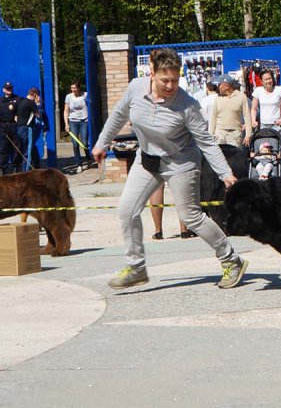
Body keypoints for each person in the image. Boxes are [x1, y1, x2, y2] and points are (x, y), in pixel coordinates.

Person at [92, 48, 249, 290]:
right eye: (165, 80)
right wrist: (102, 143)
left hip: (181, 163)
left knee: (190, 216)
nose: (170, 86)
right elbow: (118, 115)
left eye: (175, 80)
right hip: (147, 160)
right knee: (126, 211)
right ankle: (136, 267)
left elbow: (206, 142)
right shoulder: (135, 88)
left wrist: (225, 173)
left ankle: (232, 260)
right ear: (152, 73)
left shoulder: (187, 105)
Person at [209, 74, 252, 147]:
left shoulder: (241, 97)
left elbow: (247, 116)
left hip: (235, 135)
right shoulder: (218, 98)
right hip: (220, 134)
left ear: (226, 86)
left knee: (234, 154)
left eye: (219, 85)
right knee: (220, 154)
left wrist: (248, 135)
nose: (217, 87)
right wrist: (211, 134)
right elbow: (213, 117)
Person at [64, 80, 91, 173]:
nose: (73, 90)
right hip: (73, 121)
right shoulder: (68, 97)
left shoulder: (85, 95)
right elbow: (66, 111)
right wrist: (66, 124)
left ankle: (88, 158)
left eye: (75, 88)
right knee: (75, 144)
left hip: (84, 121)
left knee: (84, 142)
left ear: (79, 88)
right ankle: (79, 164)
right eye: (72, 88)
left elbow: (90, 106)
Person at [16, 88, 40, 170]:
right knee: (28, 152)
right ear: (35, 95)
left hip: (19, 128)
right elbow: (38, 115)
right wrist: (38, 104)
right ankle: (25, 171)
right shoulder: (31, 103)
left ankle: (31, 167)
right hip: (27, 128)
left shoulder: (21, 102)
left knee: (24, 149)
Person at [0, 82, 21, 174]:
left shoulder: (18, 99)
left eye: (10, 88)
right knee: (3, 148)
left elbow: (22, 109)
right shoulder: (0, 100)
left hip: (14, 126)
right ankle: (2, 168)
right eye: (7, 88)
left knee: (17, 147)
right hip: (3, 126)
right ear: (3, 90)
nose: (9, 90)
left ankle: (16, 167)